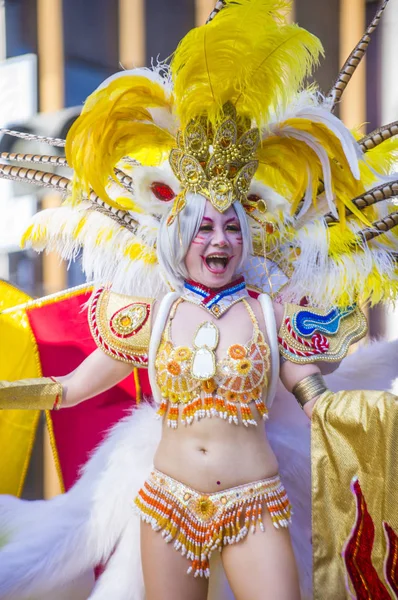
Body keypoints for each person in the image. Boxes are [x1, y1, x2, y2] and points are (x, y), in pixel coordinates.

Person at [0, 1, 398, 599]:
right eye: (204, 228)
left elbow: (315, 399)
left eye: (233, 227)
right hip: (167, 502)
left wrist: (366, 426)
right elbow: (70, 389)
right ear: (178, 236)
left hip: (254, 501)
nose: (220, 240)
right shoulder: (148, 316)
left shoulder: (273, 314)